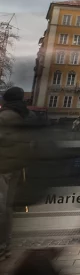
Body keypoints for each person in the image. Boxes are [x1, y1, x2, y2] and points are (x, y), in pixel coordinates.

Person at [0, 87, 31, 261]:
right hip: (17, 167)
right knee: (7, 208)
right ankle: (6, 245)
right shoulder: (27, 116)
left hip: (3, 167)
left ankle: (2, 245)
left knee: (1, 208)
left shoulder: (4, 117)